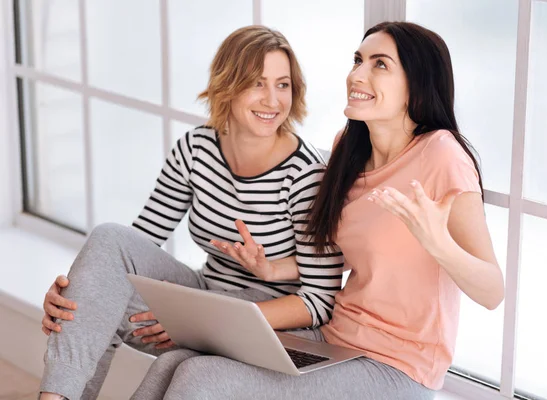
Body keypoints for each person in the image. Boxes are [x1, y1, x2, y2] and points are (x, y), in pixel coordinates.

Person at [131, 21, 505, 400]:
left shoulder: (441, 155)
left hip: (398, 366)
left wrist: (439, 243)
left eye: (380, 65)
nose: (356, 74)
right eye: (358, 60)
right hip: (334, 340)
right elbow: (362, 251)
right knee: (174, 362)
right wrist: (276, 268)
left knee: (202, 377)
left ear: (416, 84)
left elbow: (492, 291)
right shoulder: (350, 147)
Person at [38, 25, 344, 400]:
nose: (272, 100)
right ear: (228, 85)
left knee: (99, 299)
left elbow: (318, 302)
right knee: (106, 247)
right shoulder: (196, 148)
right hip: (204, 297)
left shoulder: (306, 176)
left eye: (283, 85)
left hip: (266, 329)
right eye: (257, 83)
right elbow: (133, 249)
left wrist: (205, 323)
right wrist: (76, 293)